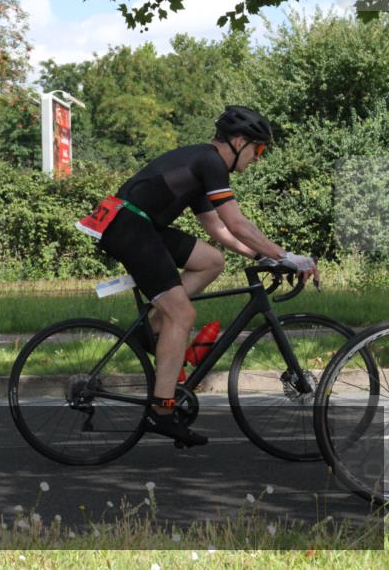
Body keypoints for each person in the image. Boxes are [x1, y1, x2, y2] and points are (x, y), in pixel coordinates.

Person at [79, 105, 319, 446]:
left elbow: (218, 229)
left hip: (138, 224)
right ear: (238, 141)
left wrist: (261, 257)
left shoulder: (203, 164)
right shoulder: (210, 163)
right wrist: (284, 256)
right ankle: (161, 411)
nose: (258, 158)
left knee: (211, 260)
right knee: (183, 314)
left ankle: (152, 325)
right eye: (259, 149)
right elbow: (237, 223)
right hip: (130, 228)